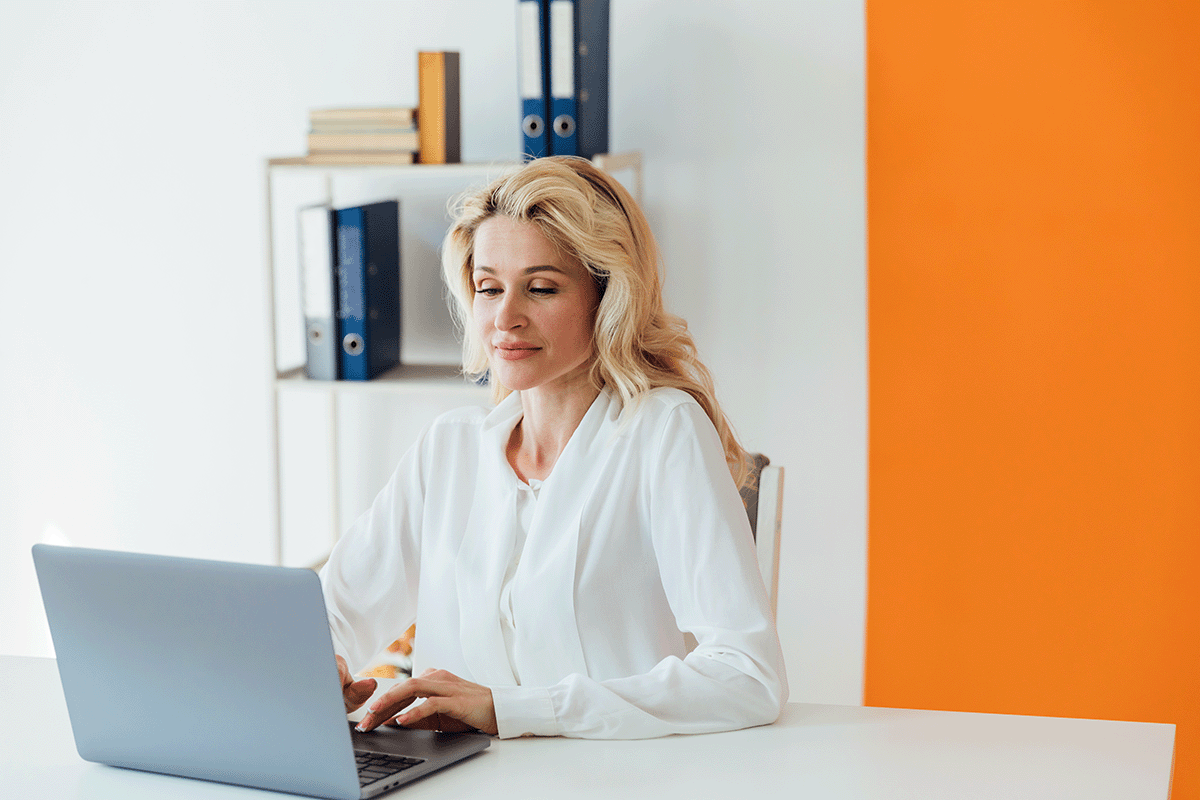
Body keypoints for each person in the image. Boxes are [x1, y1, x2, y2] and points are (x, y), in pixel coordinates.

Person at [319, 156, 786, 739]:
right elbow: (330, 614)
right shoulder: (450, 448)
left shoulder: (663, 432)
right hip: (454, 782)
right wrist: (316, 669)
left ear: (607, 295)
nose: (505, 318)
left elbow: (747, 676)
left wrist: (510, 709)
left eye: (540, 288)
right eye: (489, 288)